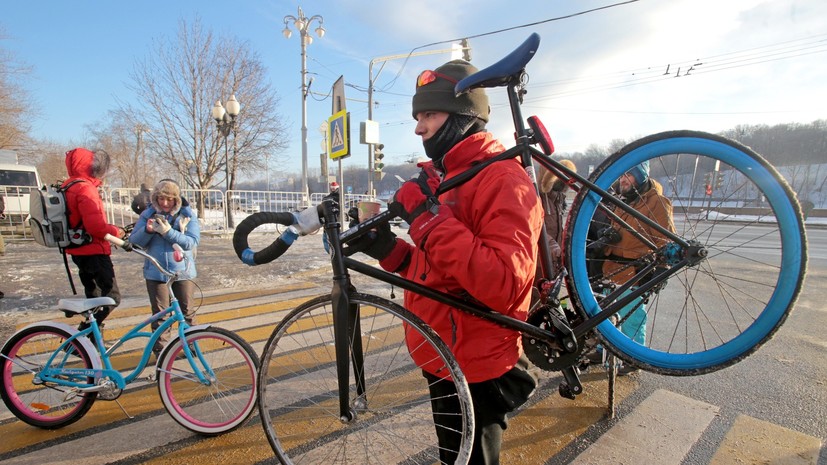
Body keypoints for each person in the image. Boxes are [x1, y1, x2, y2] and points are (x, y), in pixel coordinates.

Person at [347, 59, 543, 465]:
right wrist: (387, 249)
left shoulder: (502, 178)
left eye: (429, 115)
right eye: (418, 116)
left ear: (463, 115)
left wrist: (424, 217)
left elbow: (503, 285)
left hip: (476, 361)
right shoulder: (447, 178)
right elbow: (441, 273)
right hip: (444, 350)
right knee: (451, 456)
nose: (419, 127)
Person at [591, 161, 675, 375]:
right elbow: (617, 228)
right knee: (607, 314)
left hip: (635, 270)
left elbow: (666, 239)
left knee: (633, 317)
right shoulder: (623, 200)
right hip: (612, 268)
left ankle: (634, 357)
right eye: (622, 175)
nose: (623, 179)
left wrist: (662, 269)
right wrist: (608, 235)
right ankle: (604, 349)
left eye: (629, 174)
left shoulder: (656, 202)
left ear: (641, 175)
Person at [128, 179, 200, 356]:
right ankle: (162, 352)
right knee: (161, 315)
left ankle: (191, 347)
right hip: (156, 272)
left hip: (182, 271)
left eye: (169, 199)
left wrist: (169, 232)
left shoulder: (187, 215)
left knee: (187, 312)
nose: (165, 203)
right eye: (161, 199)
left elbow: (191, 242)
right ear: (155, 198)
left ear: (176, 199)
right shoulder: (148, 214)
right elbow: (133, 242)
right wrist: (148, 231)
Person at [62, 148, 126, 338]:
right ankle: (81, 338)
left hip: (79, 251)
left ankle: (90, 342)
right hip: (93, 251)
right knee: (111, 297)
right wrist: (117, 232)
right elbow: (96, 227)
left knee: (95, 298)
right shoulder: (85, 188)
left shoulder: (69, 185)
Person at [538, 159, 576, 279]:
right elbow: (536, 229)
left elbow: (558, 230)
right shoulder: (537, 198)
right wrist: (555, 249)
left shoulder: (558, 200)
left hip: (553, 263)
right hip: (538, 264)